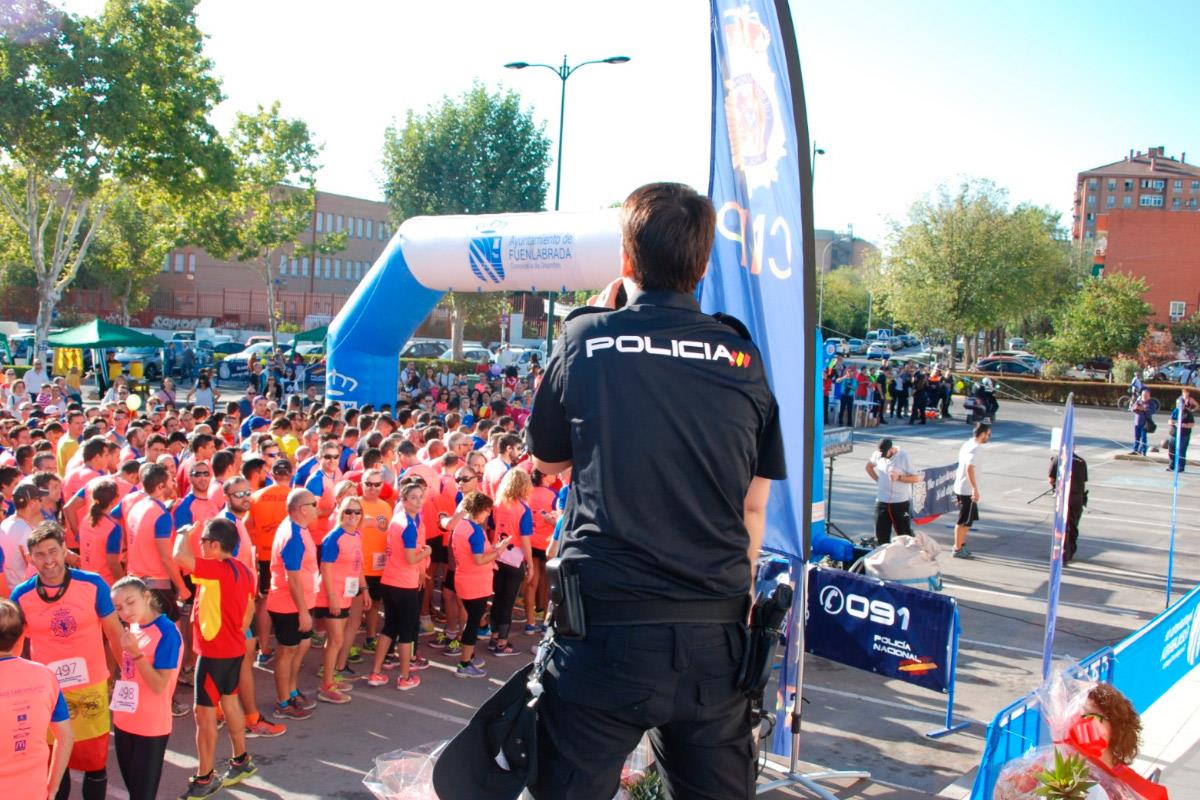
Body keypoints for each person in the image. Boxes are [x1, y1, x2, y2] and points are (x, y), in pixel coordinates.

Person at [524, 182, 786, 799]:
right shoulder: (743, 358)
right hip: (715, 637)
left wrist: (592, 323)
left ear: (625, 260)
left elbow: (547, 459)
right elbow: (754, 505)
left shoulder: (586, 340)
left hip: (604, 634)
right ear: (702, 264)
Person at [12, 522, 124, 800]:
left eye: (53, 551)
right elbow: (13, 653)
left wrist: (128, 678)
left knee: (95, 764)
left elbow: (115, 634)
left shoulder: (93, 583)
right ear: (30, 557)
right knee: (54, 766)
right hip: (47, 694)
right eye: (39, 554)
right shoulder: (21, 596)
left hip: (91, 688)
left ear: (65, 550)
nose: (48, 560)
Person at [172, 517, 258, 798]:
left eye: (203, 542)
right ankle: (241, 760)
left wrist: (184, 531)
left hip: (214, 653)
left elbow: (179, 557)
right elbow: (250, 609)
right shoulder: (243, 570)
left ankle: (205, 777)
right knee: (230, 702)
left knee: (204, 715)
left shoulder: (217, 569)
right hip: (233, 649)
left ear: (215, 545)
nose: (199, 546)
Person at [108, 576, 182, 800]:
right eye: (119, 607)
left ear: (147, 596)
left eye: (131, 602)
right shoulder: (134, 625)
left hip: (150, 727)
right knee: (135, 793)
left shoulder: (167, 632)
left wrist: (137, 654)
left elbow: (159, 685)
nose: (126, 611)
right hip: (123, 720)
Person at [0, 598, 75, 799]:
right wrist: (53, 787)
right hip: (35, 789)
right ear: (21, 635)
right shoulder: (45, 675)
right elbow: (65, 736)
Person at [367, 481, 430, 691]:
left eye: (420, 496)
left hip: (390, 581)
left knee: (390, 627)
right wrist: (426, 553)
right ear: (403, 500)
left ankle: (376, 672)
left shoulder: (398, 520)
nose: (418, 501)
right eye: (413, 497)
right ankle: (404, 676)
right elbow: (411, 558)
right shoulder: (408, 525)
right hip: (404, 584)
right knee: (405, 631)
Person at [266, 489, 321, 720]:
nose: (318, 507)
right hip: (289, 606)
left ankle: (291, 691)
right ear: (302, 509)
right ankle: (283, 703)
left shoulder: (298, 528)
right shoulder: (293, 535)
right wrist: (303, 612)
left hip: (300, 603)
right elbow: (293, 578)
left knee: (298, 648)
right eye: (314, 503)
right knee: (286, 652)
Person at [314, 495, 367, 702]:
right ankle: (326, 685)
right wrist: (332, 597)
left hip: (347, 593)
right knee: (335, 639)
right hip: (332, 594)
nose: (353, 516)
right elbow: (325, 568)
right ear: (341, 513)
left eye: (357, 512)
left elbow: (358, 565)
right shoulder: (334, 537)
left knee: (337, 639)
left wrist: (365, 590)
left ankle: (330, 679)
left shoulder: (356, 534)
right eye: (348, 511)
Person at [448, 491, 504, 678]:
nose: (489, 514)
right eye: (487, 510)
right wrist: (499, 551)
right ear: (479, 509)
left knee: (470, 620)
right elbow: (479, 560)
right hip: (475, 582)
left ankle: (469, 657)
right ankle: (464, 664)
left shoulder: (461, 526)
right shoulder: (475, 531)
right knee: (473, 623)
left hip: (463, 579)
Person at [488, 467, 534, 657]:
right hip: (514, 557)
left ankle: (495, 636)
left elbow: (491, 527)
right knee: (508, 600)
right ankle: (502, 643)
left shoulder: (497, 503)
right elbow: (524, 539)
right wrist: (530, 563)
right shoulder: (523, 509)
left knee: (498, 598)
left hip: (497, 554)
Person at [865, 438, 919, 545]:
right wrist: (878, 480)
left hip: (900, 502)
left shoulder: (904, 456)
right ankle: (884, 557)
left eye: (886, 453)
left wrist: (899, 477)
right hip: (882, 500)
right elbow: (868, 467)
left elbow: (915, 478)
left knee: (904, 534)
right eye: (882, 454)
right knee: (881, 534)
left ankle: (906, 555)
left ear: (892, 449)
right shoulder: (878, 455)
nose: (884, 456)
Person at [952, 422, 991, 559]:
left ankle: (961, 544)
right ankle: (957, 548)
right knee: (963, 520)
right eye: (988, 434)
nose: (989, 437)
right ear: (982, 434)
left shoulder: (968, 444)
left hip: (963, 488)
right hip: (966, 490)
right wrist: (974, 489)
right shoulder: (974, 448)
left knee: (969, 520)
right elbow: (969, 468)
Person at [1048, 447, 1088, 565]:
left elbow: (1051, 479)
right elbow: (1084, 481)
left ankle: (1063, 553)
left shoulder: (1057, 460)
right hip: (1077, 498)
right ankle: (1070, 551)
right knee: (1073, 525)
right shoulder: (1081, 461)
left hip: (1063, 498)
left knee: (1062, 526)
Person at [1166, 390, 1195, 473]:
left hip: (1184, 435)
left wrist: (1183, 425)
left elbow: (1192, 424)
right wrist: (1171, 422)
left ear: (1183, 404)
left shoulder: (1188, 413)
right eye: (1177, 404)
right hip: (1174, 434)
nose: (1178, 405)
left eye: (1179, 404)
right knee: (1171, 450)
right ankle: (1171, 466)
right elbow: (1170, 420)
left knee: (1181, 451)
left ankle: (1180, 467)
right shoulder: (1175, 411)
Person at [1130, 388, 1159, 456]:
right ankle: (1135, 450)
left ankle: (1143, 452)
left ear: (1149, 395)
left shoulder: (1151, 403)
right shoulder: (1139, 401)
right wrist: (1136, 408)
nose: (1144, 396)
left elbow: (1152, 411)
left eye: (1146, 395)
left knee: (1143, 438)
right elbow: (1132, 409)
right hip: (1137, 422)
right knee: (1136, 437)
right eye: (1143, 395)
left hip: (1145, 423)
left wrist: (1144, 409)